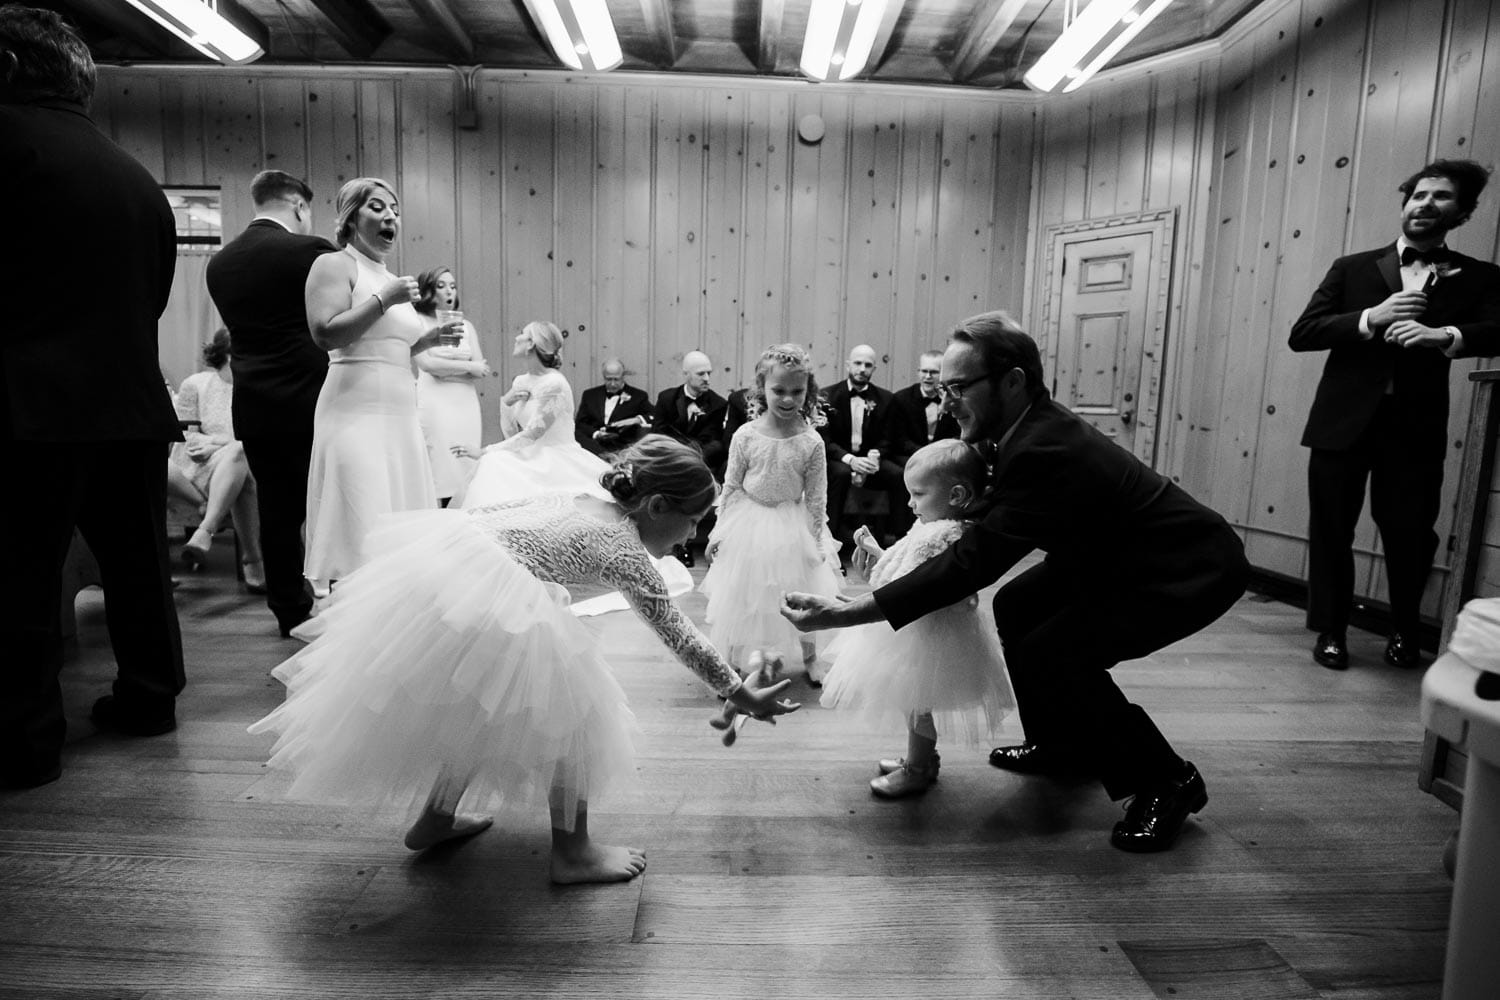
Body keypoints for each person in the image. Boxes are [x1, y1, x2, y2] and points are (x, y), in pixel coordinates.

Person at [784, 312, 1249, 853]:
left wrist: (844, 612)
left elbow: (969, 565)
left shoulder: (1042, 447)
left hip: (1183, 567)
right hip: (1109, 554)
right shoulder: (1018, 430)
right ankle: (1063, 745)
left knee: (1060, 652)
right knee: (1020, 604)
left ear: (1011, 381)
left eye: (959, 386)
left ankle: (1167, 781)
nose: (945, 398)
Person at [248, 437, 799, 883]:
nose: (694, 534)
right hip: (493, 599)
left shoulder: (583, 499)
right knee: (578, 718)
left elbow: (496, 517)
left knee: (479, 708)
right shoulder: (623, 549)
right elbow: (678, 633)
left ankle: (437, 816)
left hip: (451, 574)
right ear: (657, 506)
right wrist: (736, 690)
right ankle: (573, 852)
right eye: (695, 520)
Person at [1, 5, 184, 788]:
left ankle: (23, 740)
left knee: (19, 577)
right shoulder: (135, 178)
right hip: (131, 400)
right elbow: (152, 297)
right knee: (138, 565)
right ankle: (150, 698)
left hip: (30, 401)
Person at [1290, 159, 1500, 671]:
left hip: (1415, 425)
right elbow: (1305, 332)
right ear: (1405, 203)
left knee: (1410, 533)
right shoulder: (1352, 267)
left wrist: (1445, 336)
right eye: (1418, 195)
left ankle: (1405, 631)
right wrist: (1368, 318)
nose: (1426, 204)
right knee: (1332, 529)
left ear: (1462, 212)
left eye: (1441, 197)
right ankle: (1332, 631)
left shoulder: (1480, 276)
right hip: (1340, 424)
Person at [819, 439, 1013, 799]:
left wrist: (870, 582)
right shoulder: (932, 525)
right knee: (914, 703)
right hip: (918, 628)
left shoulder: (945, 536)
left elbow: (907, 584)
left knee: (917, 703)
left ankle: (918, 767)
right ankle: (921, 757)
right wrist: (878, 553)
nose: (910, 503)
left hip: (928, 635)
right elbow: (905, 564)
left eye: (919, 494)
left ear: (955, 495)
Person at [302, 177, 453, 592]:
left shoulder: (388, 276)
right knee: (362, 516)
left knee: (399, 517)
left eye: (396, 210)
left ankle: (391, 615)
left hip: (400, 416)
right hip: (354, 410)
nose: (390, 216)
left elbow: (392, 348)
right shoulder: (334, 265)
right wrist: (383, 300)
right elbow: (325, 334)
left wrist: (428, 340)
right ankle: (351, 616)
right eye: (378, 207)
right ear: (352, 217)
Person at [206, 169, 336, 637]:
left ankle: (289, 608)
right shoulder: (310, 251)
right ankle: (340, 595)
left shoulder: (219, 263)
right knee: (329, 503)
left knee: (277, 511)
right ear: (300, 206)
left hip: (256, 405)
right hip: (313, 399)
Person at [701, 344, 842, 686]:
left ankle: (810, 658)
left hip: (793, 525)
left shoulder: (811, 441)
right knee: (741, 594)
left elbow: (817, 498)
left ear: (808, 392)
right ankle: (730, 664)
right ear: (762, 388)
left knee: (801, 592)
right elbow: (731, 486)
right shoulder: (745, 435)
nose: (788, 399)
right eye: (779, 390)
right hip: (749, 523)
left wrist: (816, 542)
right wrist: (717, 534)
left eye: (797, 391)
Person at [169, 330, 264, 590]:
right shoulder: (196, 384)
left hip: (237, 460)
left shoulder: (257, 386)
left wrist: (218, 443)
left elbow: (255, 438)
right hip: (198, 465)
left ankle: (206, 528)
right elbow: (184, 434)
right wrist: (207, 444)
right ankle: (252, 561)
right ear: (225, 353)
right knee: (239, 460)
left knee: (240, 455)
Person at [412, 265, 490, 506]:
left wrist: (447, 371)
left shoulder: (466, 326)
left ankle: (463, 515)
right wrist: (466, 368)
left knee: (464, 465)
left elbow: (481, 368)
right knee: (437, 464)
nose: (449, 291)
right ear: (429, 291)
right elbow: (427, 364)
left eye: (453, 286)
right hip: (435, 403)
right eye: (441, 285)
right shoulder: (418, 322)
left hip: (465, 403)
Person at [819, 344, 909, 548]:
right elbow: (825, 440)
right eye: (857, 363)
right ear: (848, 365)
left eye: (868, 365)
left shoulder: (886, 399)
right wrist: (851, 461)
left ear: (874, 369)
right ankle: (831, 541)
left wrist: (873, 457)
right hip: (839, 459)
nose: (862, 369)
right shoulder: (827, 397)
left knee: (898, 475)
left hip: (871, 460)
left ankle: (899, 539)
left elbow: (888, 438)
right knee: (839, 474)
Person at [652, 350, 729, 565]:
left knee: (688, 487)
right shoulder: (667, 398)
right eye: (701, 374)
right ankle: (661, 541)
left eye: (709, 373)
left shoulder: (718, 404)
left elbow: (714, 442)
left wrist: (690, 459)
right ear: (686, 374)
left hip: (701, 463)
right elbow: (659, 433)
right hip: (669, 460)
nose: (707, 379)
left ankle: (681, 545)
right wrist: (675, 457)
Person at [887, 350, 960, 466]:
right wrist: (926, 455)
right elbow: (900, 439)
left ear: (943, 375)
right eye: (924, 371)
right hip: (910, 457)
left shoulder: (953, 400)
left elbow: (957, 435)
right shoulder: (901, 398)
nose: (928, 377)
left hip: (943, 457)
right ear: (918, 372)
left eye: (934, 372)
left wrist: (940, 454)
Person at [575, 358, 652, 456]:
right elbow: (580, 423)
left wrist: (637, 419)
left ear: (623, 376)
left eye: (616, 379)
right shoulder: (590, 395)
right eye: (608, 379)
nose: (612, 384)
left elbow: (654, 415)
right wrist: (596, 433)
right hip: (592, 446)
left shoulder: (638, 396)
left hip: (622, 447)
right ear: (603, 377)